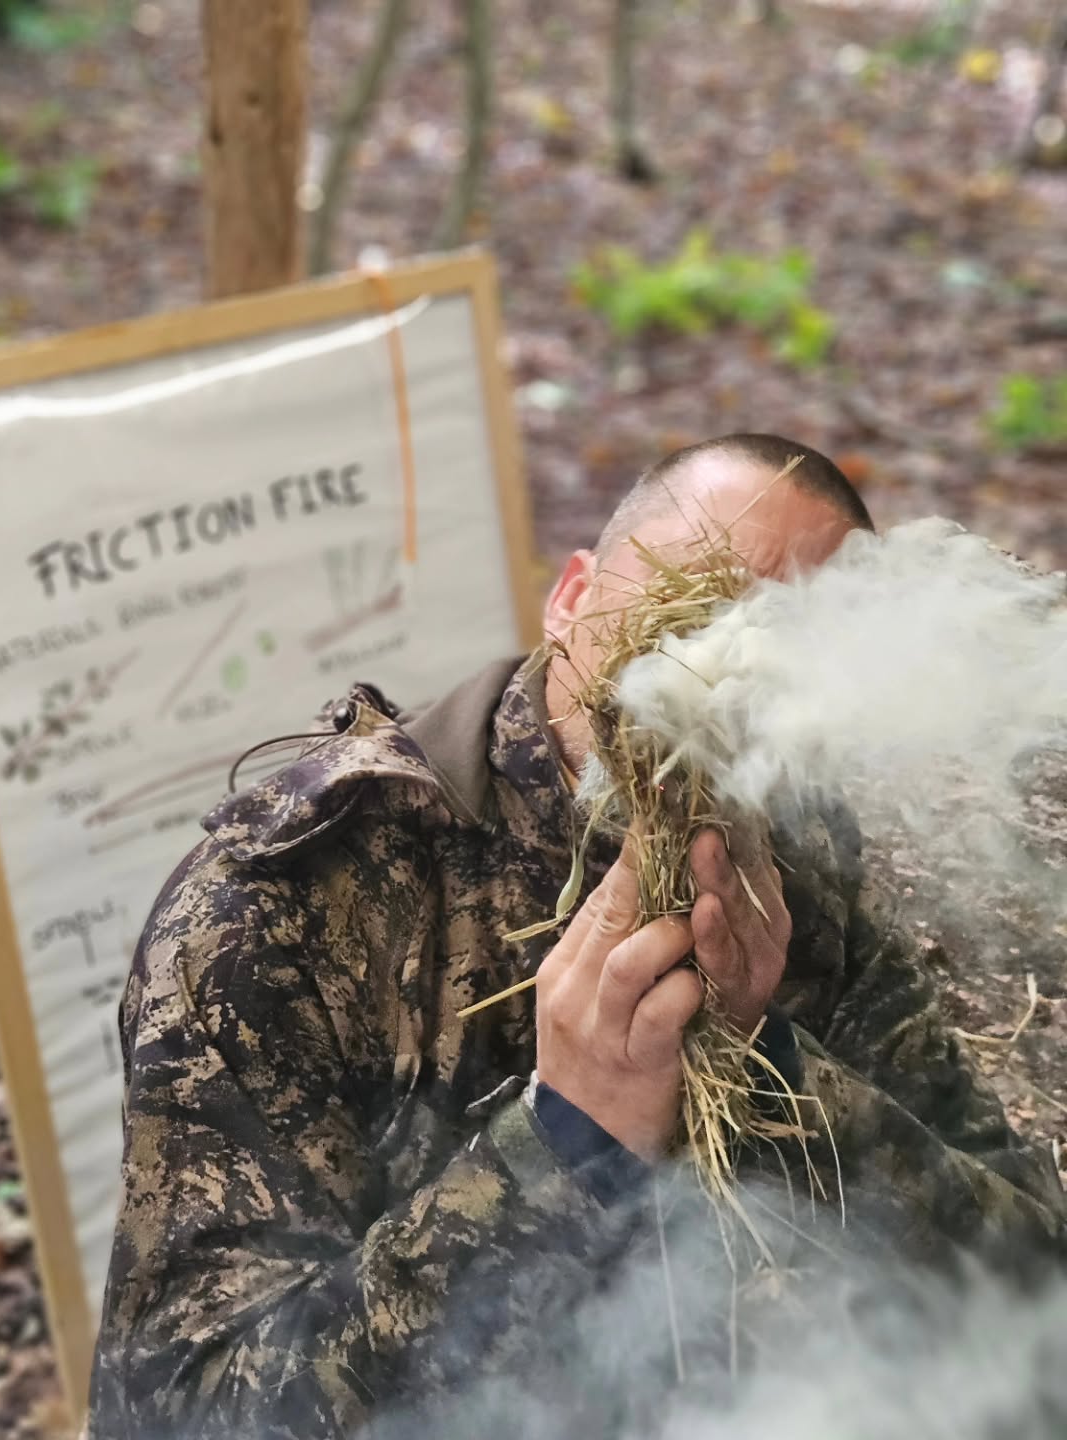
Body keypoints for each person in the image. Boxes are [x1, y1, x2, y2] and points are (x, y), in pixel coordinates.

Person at [87, 433, 1066, 1440]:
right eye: (687, 613)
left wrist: (773, 1069)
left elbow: (1033, 1290)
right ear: (571, 599)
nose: (723, 680)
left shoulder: (794, 860)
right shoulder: (286, 907)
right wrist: (567, 1142)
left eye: (788, 652)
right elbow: (185, 1416)